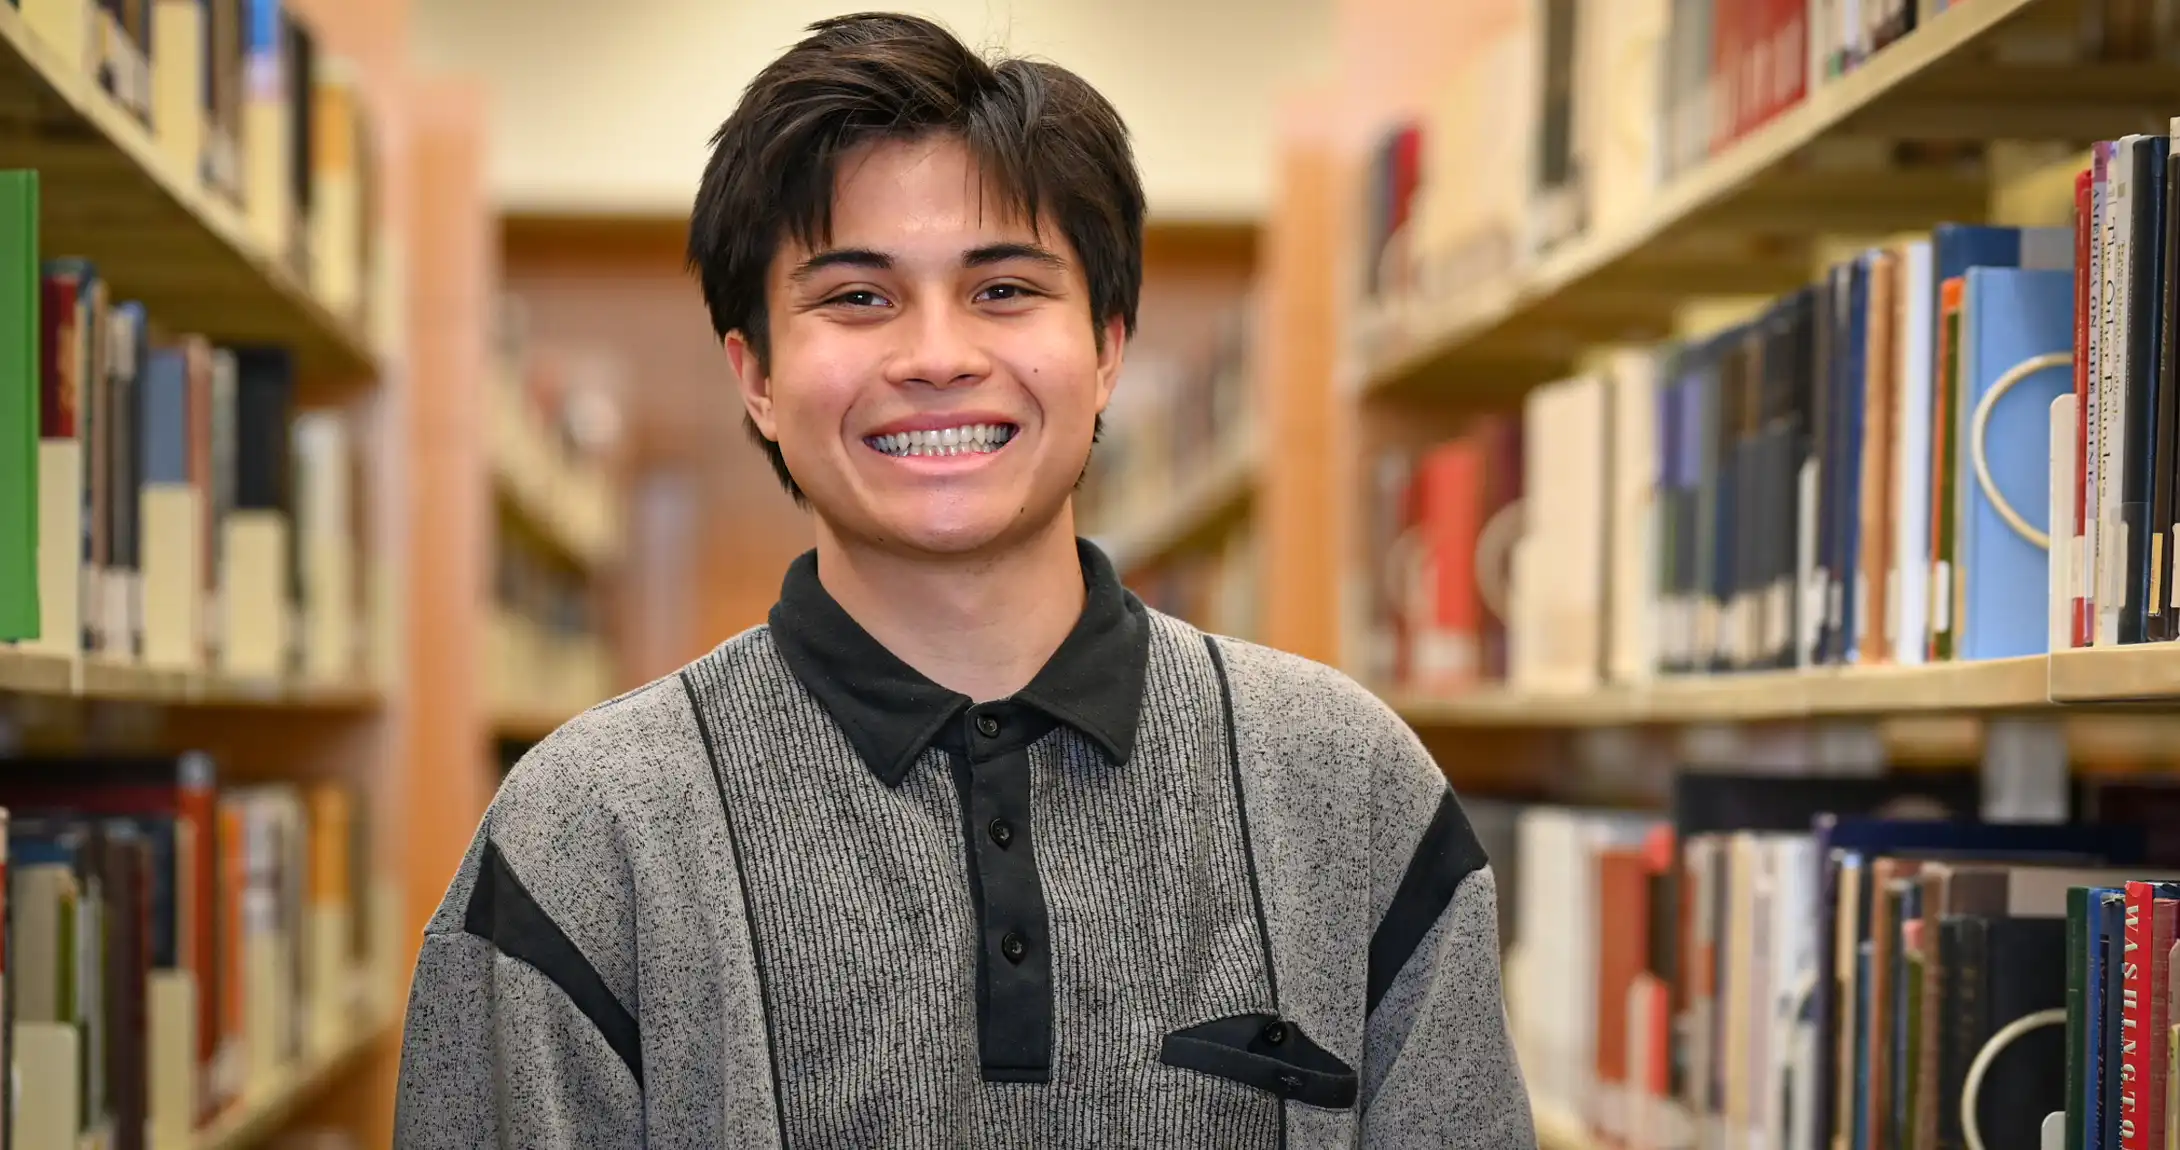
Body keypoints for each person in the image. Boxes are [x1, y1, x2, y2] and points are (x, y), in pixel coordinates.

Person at [392, 12, 1535, 1148]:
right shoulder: (582, 838)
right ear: (756, 379)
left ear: (1107, 349)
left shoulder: (1349, 788)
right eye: (857, 297)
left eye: (1003, 290)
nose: (937, 356)